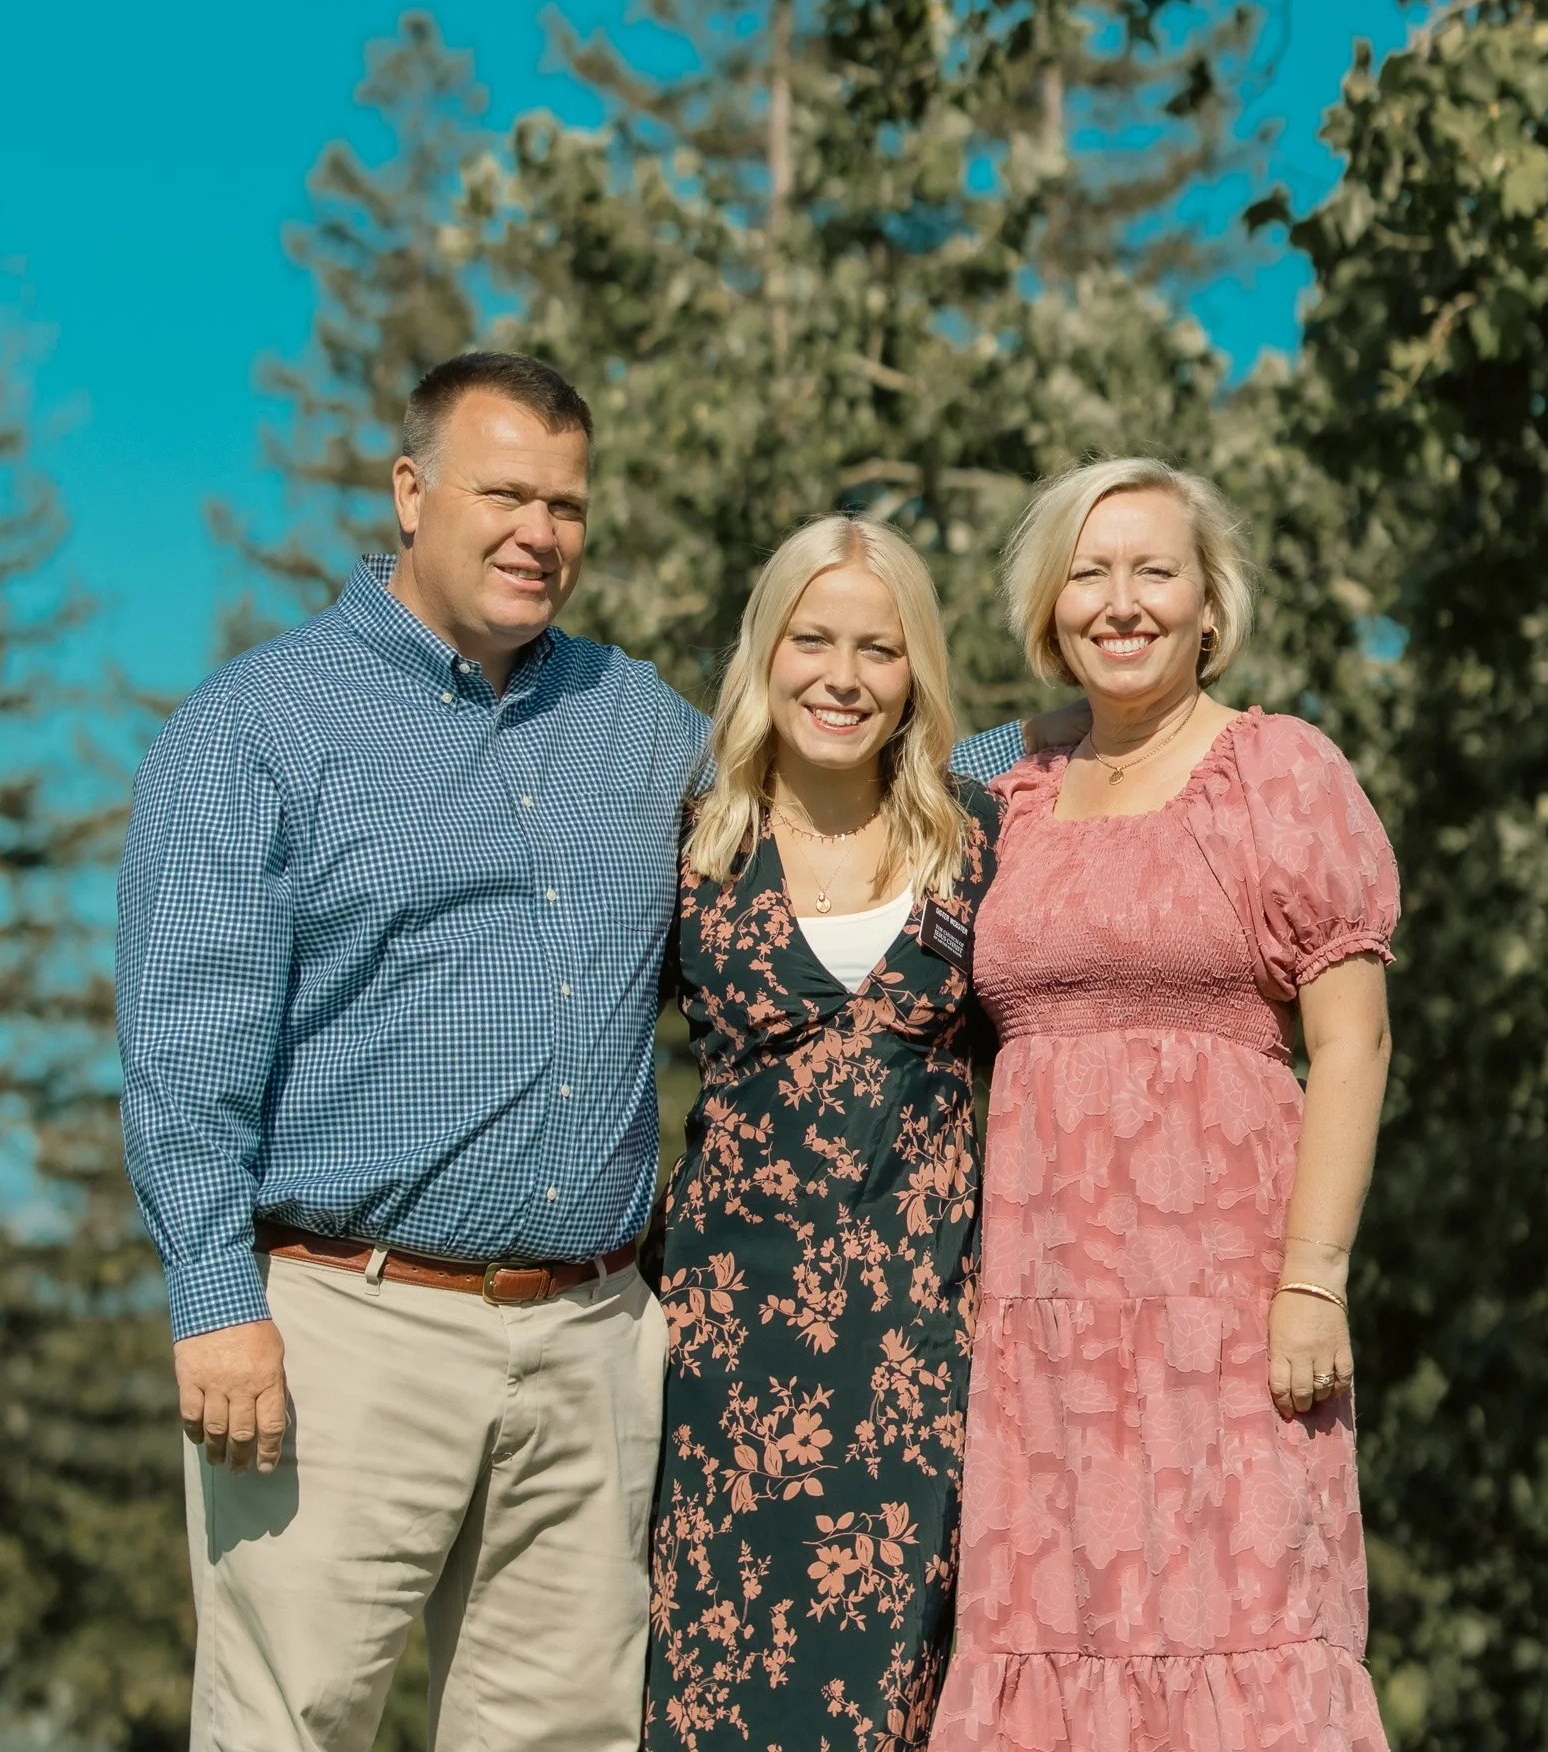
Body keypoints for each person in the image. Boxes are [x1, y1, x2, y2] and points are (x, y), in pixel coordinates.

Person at [117, 350, 1037, 1752]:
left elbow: (830, 770)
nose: (538, 533)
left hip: (599, 1342)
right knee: (290, 1722)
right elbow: (186, 1052)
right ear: (409, 491)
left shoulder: (638, 725)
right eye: (505, 493)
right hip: (346, 1330)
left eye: (567, 505)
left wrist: (1086, 747)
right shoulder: (258, 729)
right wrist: (209, 1300)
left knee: (566, 1734)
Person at [931, 459, 1398, 1752]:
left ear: (1208, 604)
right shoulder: (1000, 782)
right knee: (1051, 1627)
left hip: (1228, 1307)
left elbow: (1352, 1047)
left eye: (1153, 570)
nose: (1119, 601)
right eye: (1088, 571)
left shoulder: (1280, 773)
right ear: (1047, 608)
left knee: (1246, 1613)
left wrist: (1314, 1279)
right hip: (1038, 1326)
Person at [644, 519, 1000, 1752]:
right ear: (765, 647)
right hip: (725, 1354)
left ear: (917, 673)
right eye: (812, 638)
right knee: (711, 1700)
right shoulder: (687, 839)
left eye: (879, 648)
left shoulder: (984, 835)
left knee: (897, 1700)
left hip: (920, 1356)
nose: (842, 676)